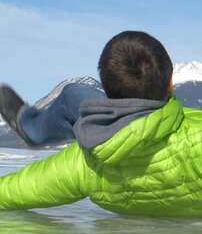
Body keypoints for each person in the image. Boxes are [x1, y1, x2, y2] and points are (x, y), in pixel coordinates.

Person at [0, 31, 201, 216]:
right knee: (74, 94)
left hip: (111, 139)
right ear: (170, 84)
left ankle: (30, 128)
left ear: (108, 96)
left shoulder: (87, 163)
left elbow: (15, 190)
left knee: (73, 94)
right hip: (174, 125)